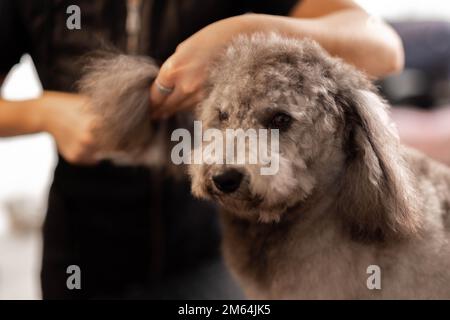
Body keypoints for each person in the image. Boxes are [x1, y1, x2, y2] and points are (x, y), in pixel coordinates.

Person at [0, 0, 403, 299]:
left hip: (215, 249)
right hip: (78, 254)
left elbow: (384, 48)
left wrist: (246, 31)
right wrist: (45, 113)